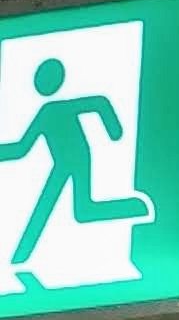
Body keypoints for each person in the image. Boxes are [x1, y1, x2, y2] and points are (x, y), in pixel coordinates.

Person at [0, 53, 154, 284]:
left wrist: (114, 130)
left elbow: (98, 103)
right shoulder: (46, 112)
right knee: (83, 209)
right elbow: (22, 147)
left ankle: (20, 256)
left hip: (77, 158)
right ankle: (132, 206)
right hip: (64, 161)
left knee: (63, 205)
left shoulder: (55, 109)